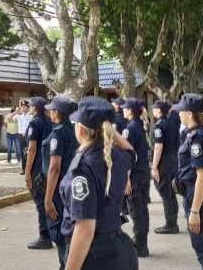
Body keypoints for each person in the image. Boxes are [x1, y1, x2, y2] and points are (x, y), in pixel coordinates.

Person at [60, 96, 138, 270]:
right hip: (119, 250)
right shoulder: (116, 155)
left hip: (95, 255)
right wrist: (106, 126)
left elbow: (85, 230)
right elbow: (132, 152)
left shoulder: (82, 169)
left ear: (80, 130)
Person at [172, 94, 203, 269]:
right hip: (198, 192)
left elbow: (202, 175)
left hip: (197, 194)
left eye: (181, 111)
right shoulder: (197, 132)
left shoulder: (197, 138)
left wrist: (194, 211)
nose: (179, 114)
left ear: (190, 113)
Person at [42, 96, 79, 268]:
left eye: (51, 109)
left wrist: (48, 199)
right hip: (71, 185)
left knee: (59, 231)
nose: (48, 111)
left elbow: (54, 168)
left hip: (58, 189)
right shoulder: (73, 129)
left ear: (56, 112)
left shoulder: (58, 133)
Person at [119, 97, 151, 257]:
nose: (122, 109)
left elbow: (129, 156)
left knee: (136, 209)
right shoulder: (139, 125)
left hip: (135, 172)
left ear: (130, 111)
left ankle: (140, 244)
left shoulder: (129, 129)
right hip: (143, 171)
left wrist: (126, 179)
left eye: (125, 108)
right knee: (142, 207)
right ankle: (142, 240)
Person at [25, 96, 55, 250]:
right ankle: (53, 232)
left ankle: (45, 236)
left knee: (40, 202)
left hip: (37, 167)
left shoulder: (34, 123)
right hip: (48, 166)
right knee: (49, 200)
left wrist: (27, 171)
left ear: (35, 108)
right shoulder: (50, 122)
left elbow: (32, 148)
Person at [151, 100, 180, 235]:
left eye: (154, 108)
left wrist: (154, 167)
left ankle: (170, 223)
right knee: (171, 191)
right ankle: (173, 221)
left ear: (159, 110)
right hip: (173, 158)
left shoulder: (159, 125)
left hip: (163, 160)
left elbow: (158, 147)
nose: (152, 110)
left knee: (165, 192)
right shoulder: (172, 123)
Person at [14, 101, 34, 175]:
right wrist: (17, 110)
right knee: (23, 154)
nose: (23, 108)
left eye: (25, 106)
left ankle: (30, 169)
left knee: (29, 153)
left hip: (28, 136)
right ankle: (24, 169)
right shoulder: (19, 116)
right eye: (22, 106)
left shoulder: (31, 116)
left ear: (28, 107)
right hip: (21, 136)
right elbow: (10, 118)